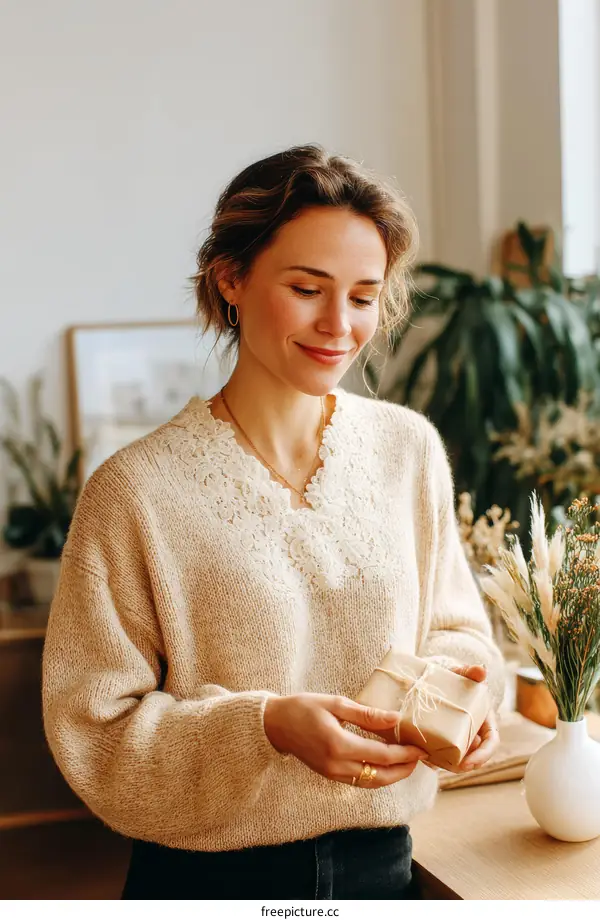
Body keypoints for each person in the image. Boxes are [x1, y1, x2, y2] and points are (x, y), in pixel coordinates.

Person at [42, 144, 504, 901]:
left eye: (363, 295)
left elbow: (455, 630)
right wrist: (264, 726)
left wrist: (465, 690)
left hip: (383, 870)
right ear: (231, 278)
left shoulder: (406, 449)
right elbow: (95, 730)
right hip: (203, 883)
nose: (339, 324)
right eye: (307, 287)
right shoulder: (134, 492)